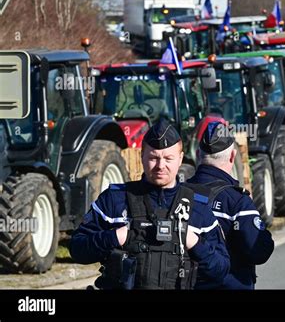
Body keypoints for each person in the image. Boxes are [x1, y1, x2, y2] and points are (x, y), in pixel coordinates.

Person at [69, 118, 230, 289]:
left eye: (168, 158)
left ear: (180, 158)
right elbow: (78, 249)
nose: (161, 166)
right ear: (142, 156)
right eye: (154, 158)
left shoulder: (198, 207)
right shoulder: (115, 200)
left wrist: (195, 243)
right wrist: (115, 237)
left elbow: (221, 269)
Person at [187, 121, 274, 289]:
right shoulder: (237, 201)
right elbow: (259, 251)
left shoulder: (179, 194)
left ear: (198, 154)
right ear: (233, 157)